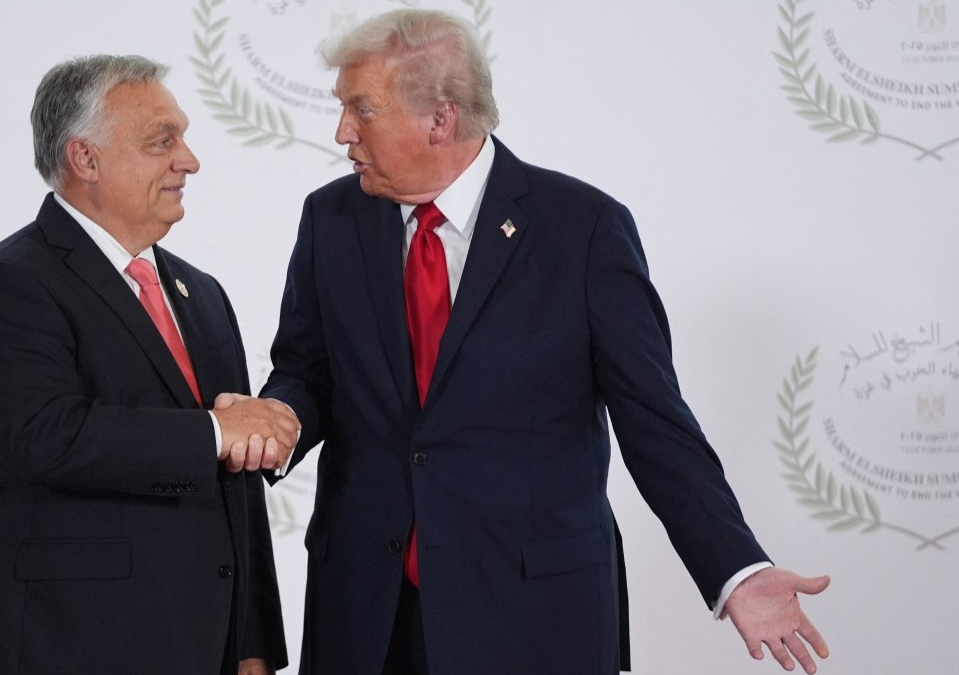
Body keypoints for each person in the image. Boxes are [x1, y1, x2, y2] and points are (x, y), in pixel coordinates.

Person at [225, 9, 830, 675]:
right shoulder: (331, 218)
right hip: (367, 610)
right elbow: (308, 370)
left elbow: (654, 421)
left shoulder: (584, 229)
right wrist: (281, 414)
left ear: (440, 118)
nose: (342, 133)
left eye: (360, 110)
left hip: (534, 613)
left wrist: (736, 569)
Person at [0, 54, 297, 675]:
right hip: (51, 643)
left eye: (184, 137)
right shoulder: (10, 284)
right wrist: (217, 430)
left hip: (198, 646)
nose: (189, 160)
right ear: (84, 158)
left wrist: (251, 644)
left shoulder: (202, 295)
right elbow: (48, 437)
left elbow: (234, 487)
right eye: (161, 141)